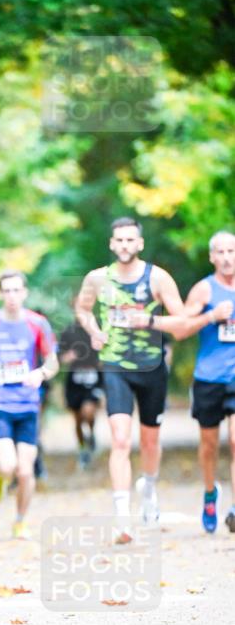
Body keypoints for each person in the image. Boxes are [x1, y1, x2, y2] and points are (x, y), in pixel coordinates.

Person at [77, 217, 231, 541]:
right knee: (120, 439)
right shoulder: (97, 279)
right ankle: (122, 517)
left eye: (130, 240)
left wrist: (148, 320)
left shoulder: (157, 278)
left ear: (140, 244)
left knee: (149, 440)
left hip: (152, 367)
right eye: (119, 240)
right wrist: (93, 331)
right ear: (111, 244)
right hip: (115, 365)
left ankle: (148, 488)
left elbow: (182, 321)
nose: (124, 246)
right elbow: (83, 309)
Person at [0, 271, 59, 539]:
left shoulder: (37, 324)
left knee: (26, 471)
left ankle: (19, 521)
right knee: (8, 465)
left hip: (28, 406)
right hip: (0, 406)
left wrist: (39, 374)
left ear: (25, 293)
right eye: (6, 291)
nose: (12, 296)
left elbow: (53, 361)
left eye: (17, 290)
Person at [183, 231, 235, 533]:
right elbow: (181, 328)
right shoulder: (203, 290)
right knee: (209, 444)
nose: (227, 257)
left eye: (232, 251)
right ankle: (210, 493)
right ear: (212, 257)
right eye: (221, 252)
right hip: (209, 377)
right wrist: (211, 316)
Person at [58, 309, 103, 469]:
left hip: (93, 377)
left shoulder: (98, 330)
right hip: (74, 378)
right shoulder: (68, 331)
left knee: (88, 411)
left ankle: (91, 433)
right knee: (77, 418)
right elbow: (58, 357)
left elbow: (107, 353)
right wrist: (66, 357)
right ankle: (83, 448)